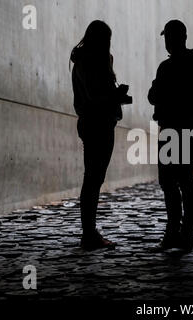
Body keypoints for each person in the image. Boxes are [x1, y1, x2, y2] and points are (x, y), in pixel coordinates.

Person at [148, 20, 193, 252]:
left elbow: (152, 96)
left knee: (169, 182)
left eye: (167, 38)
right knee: (186, 181)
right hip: (189, 128)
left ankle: (174, 232)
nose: (165, 42)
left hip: (171, 129)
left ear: (174, 38)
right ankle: (186, 233)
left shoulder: (167, 67)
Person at [71, 20, 132, 250]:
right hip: (97, 123)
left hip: (98, 123)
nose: (108, 44)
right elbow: (95, 96)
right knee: (93, 179)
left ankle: (89, 231)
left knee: (93, 179)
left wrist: (115, 95)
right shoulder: (89, 63)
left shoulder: (86, 61)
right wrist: (116, 96)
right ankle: (89, 233)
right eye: (106, 39)